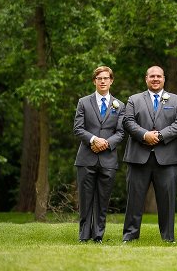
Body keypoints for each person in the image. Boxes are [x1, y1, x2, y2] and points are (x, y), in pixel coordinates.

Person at [122, 66, 177, 243]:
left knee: (167, 201)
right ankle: (130, 236)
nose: (155, 79)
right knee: (134, 200)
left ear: (164, 79)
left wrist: (160, 135)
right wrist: (144, 135)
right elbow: (128, 121)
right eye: (152, 76)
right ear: (146, 79)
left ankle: (168, 237)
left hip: (167, 158)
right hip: (138, 157)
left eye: (159, 76)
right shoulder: (134, 100)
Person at [73, 65, 125, 243]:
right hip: (86, 158)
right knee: (85, 199)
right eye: (99, 78)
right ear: (94, 81)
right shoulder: (83, 102)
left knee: (103, 200)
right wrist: (94, 140)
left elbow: (121, 132)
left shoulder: (120, 105)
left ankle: (98, 235)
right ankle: (84, 235)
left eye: (106, 78)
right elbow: (78, 128)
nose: (102, 81)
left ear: (111, 81)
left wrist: (106, 143)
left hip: (108, 160)